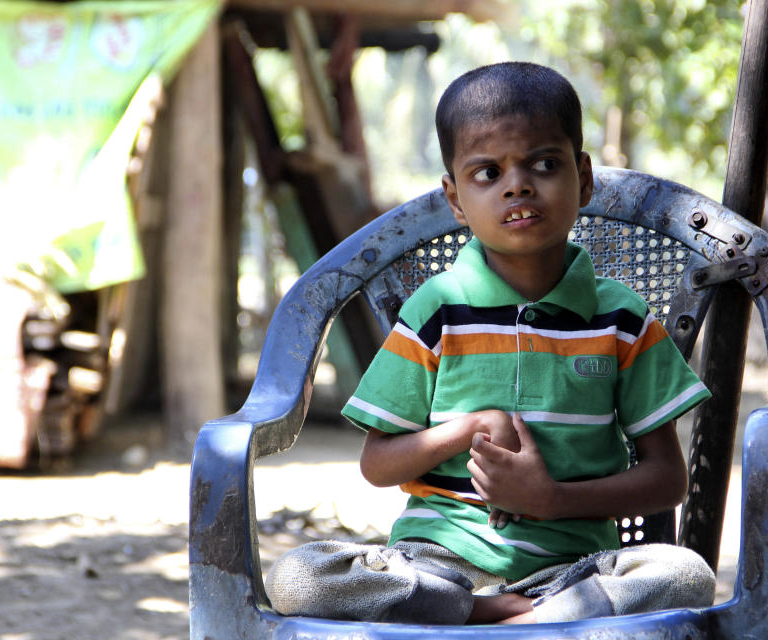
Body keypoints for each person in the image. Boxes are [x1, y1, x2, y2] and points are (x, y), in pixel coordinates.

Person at [265, 61, 715, 625]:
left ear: (585, 177)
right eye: (487, 173)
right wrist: (468, 428)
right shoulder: (437, 311)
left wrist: (550, 500)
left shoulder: (622, 320)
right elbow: (378, 464)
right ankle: (492, 615)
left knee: (686, 575)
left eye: (545, 164)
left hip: (571, 568)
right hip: (435, 563)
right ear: (455, 200)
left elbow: (667, 480)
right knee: (299, 577)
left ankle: (512, 621)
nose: (518, 185)